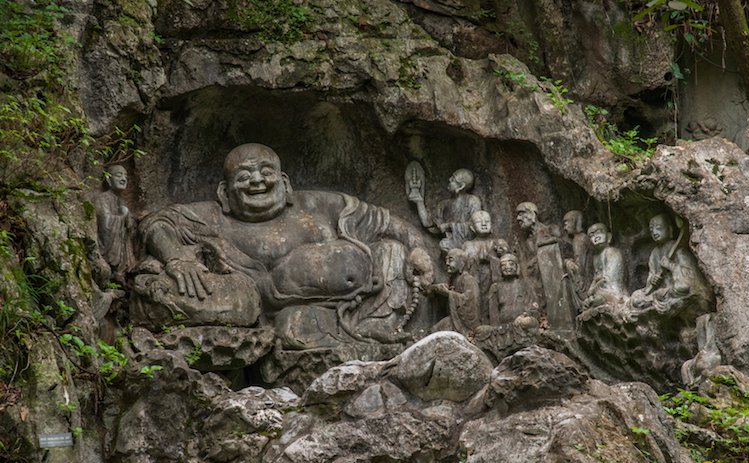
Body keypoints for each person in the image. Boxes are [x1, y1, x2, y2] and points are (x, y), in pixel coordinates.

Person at [133, 143, 432, 347]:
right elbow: (156, 223)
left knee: (391, 251)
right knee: (289, 322)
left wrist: (418, 248)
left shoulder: (317, 205)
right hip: (281, 308)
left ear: (285, 183)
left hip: (362, 298)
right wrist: (176, 258)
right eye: (244, 176)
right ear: (225, 193)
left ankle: (380, 325)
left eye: (266, 172)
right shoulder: (213, 217)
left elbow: (385, 221)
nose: (257, 181)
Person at [629, 213, 711, 314]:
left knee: (681, 289)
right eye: (651, 230)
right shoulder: (654, 253)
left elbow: (690, 276)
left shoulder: (677, 248)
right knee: (636, 298)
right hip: (662, 291)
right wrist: (653, 280)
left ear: (670, 229)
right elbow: (651, 278)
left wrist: (670, 265)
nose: (654, 232)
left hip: (676, 289)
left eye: (658, 228)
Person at [408, 168, 482, 252]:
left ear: (461, 186)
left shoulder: (473, 201)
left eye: (453, 179)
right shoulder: (443, 205)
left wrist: (449, 226)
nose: (449, 179)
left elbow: (475, 225)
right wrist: (419, 202)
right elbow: (428, 223)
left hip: (469, 245)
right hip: (449, 243)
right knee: (444, 244)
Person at [96, 164, 135, 282]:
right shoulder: (103, 198)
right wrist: (123, 216)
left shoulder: (121, 201)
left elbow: (130, 229)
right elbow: (106, 225)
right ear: (108, 179)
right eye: (119, 175)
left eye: (125, 176)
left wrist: (128, 218)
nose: (123, 179)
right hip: (109, 249)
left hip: (121, 250)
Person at [430, 248, 480, 334]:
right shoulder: (452, 280)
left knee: (436, 330)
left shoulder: (468, 279)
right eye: (446, 260)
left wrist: (448, 293)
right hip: (453, 318)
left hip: (461, 323)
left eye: (451, 260)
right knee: (434, 331)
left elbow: (471, 303)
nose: (447, 263)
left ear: (461, 262)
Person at [582, 223, 626, 308]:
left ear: (609, 236)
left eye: (599, 232)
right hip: (601, 290)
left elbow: (611, 280)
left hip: (613, 291)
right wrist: (592, 289)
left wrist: (596, 284)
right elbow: (596, 279)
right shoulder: (595, 258)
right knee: (587, 303)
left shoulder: (612, 252)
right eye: (592, 235)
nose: (596, 237)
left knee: (597, 301)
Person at [488, 254, 539, 325]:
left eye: (511, 264)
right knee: (482, 330)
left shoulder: (525, 284)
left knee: (527, 322)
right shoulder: (496, 287)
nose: (507, 267)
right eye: (503, 265)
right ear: (500, 269)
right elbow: (493, 313)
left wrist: (524, 316)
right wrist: (496, 327)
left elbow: (534, 307)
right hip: (503, 326)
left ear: (517, 267)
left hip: (523, 321)